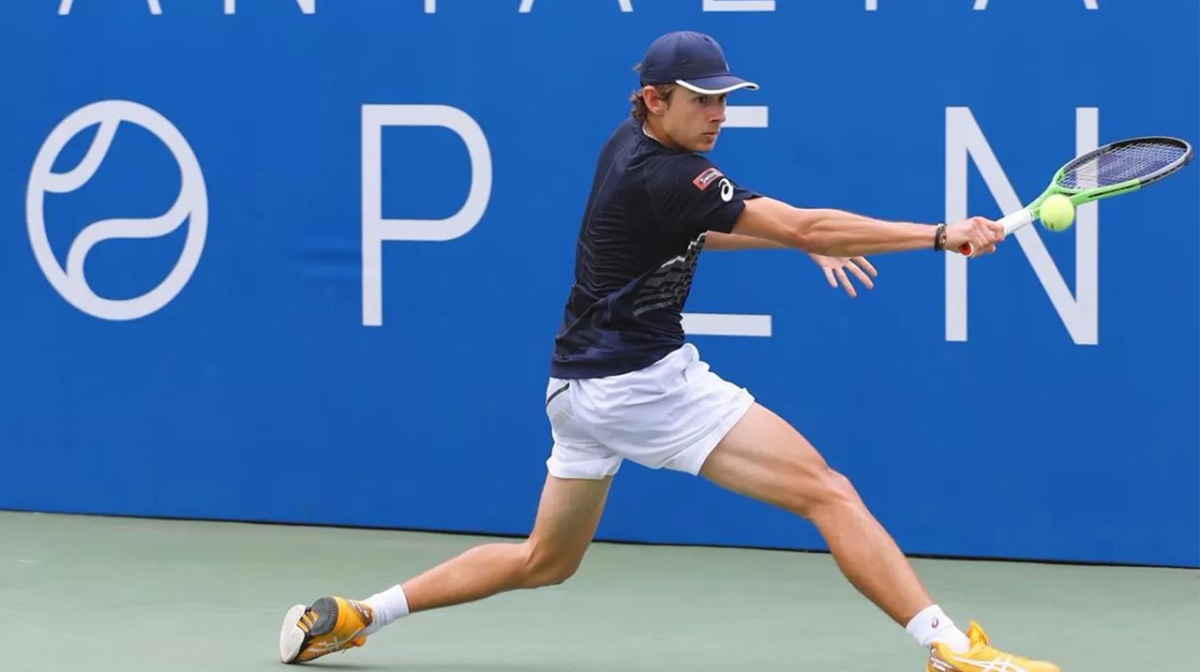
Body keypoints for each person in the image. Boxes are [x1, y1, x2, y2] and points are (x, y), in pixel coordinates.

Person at [277, 30, 1059, 672]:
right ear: (655, 100)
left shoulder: (632, 148)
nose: (718, 113)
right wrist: (935, 234)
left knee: (545, 560)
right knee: (829, 492)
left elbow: (717, 232)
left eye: (725, 100)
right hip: (639, 385)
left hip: (577, 391)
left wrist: (798, 240)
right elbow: (792, 222)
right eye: (702, 101)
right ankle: (949, 650)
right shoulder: (667, 174)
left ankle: (356, 616)